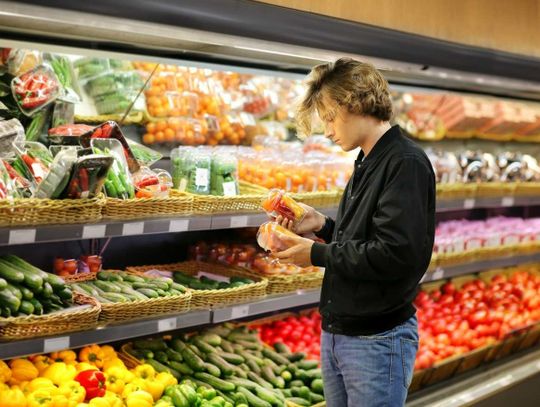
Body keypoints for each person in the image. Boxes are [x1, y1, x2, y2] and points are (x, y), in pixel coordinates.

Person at [273, 58, 436, 407]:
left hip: (376, 340)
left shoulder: (404, 163)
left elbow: (393, 254)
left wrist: (314, 254)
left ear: (356, 103)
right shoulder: (367, 160)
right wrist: (322, 226)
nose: (328, 130)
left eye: (331, 117)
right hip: (341, 335)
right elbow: (365, 242)